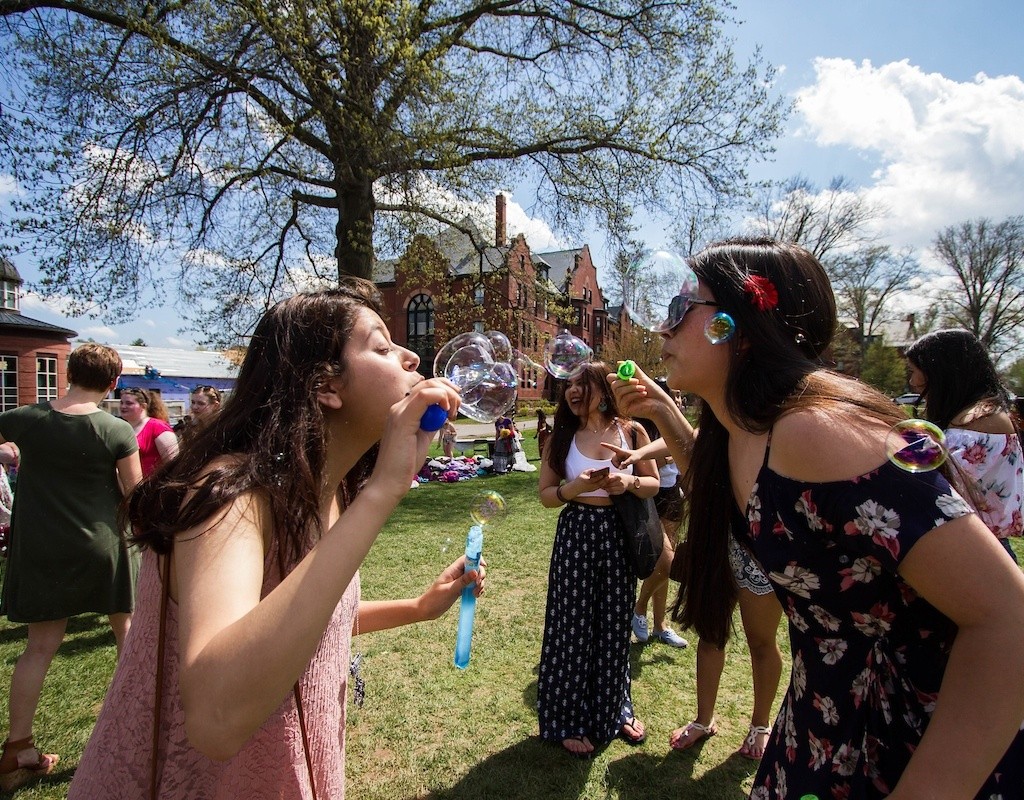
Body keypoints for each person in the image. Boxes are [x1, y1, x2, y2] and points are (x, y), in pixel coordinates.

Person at [608, 238, 1024, 798]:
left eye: (683, 306)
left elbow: (1009, 617)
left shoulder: (817, 430)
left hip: (920, 736)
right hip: (824, 717)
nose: (663, 326)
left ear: (744, 326)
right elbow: (718, 489)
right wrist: (661, 408)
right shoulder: (744, 432)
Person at [68, 280, 483, 799]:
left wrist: (416, 608)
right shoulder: (231, 495)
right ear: (325, 387)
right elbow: (216, 718)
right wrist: (383, 492)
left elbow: (301, 615)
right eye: (381, 346)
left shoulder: (328, 492)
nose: (412, 356)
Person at [0, 343, 143, 792]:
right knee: (127, 636)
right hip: (104, 545)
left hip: (41, 547)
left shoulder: (24, 418)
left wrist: (10, 451)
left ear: (67, 373)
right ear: (113, 382)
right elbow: (135, 494)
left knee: (39, 648)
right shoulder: (116, 429)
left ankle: (18, 749)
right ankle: (140, 735)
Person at [607, 432, 783, 760]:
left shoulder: (765, 425)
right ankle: (704, 720)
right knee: (710, 635)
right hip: (715, 543)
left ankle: (761, 724)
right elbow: (686, 437)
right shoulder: (721, 422)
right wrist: (638, 454)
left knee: (761, 641)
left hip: (758, 546)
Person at [537, 362, 659, 758]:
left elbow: (652, 483)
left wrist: (628, 482)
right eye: (568, 384)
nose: (572, 391)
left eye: (581, 383)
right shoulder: (562, 437)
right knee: (571, 626)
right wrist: (574, 487)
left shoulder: (632, 431)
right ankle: (567, 719)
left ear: (603, 389)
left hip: (619, 533)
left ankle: (615, 710)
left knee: (614, 623)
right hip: (576, 533)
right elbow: (546, 495)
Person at [905, 329, 1023, 563]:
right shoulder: (982, 414)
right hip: (981, 544)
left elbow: (937, 483)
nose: (912, 382)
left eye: (913, 371)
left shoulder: (978, 421)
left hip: (978, 551)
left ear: (939, 372)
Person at [616, 418, 689, 648]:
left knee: (664, 568)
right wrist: (667, 457)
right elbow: (642, 463)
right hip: (649, 498)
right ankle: (639, 608)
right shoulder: (636, 426)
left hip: (671, 492)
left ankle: (660, 626)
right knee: (667, 563)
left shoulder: (670, 422)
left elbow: (683, 451)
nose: (677, 400)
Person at [120, 387, 180, 476]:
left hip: (153, 482)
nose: (123, 406)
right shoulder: (121, 428)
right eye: (121, 403)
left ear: (143, 406)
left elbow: (173, 464)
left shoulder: (159, 428)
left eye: (129, 403)